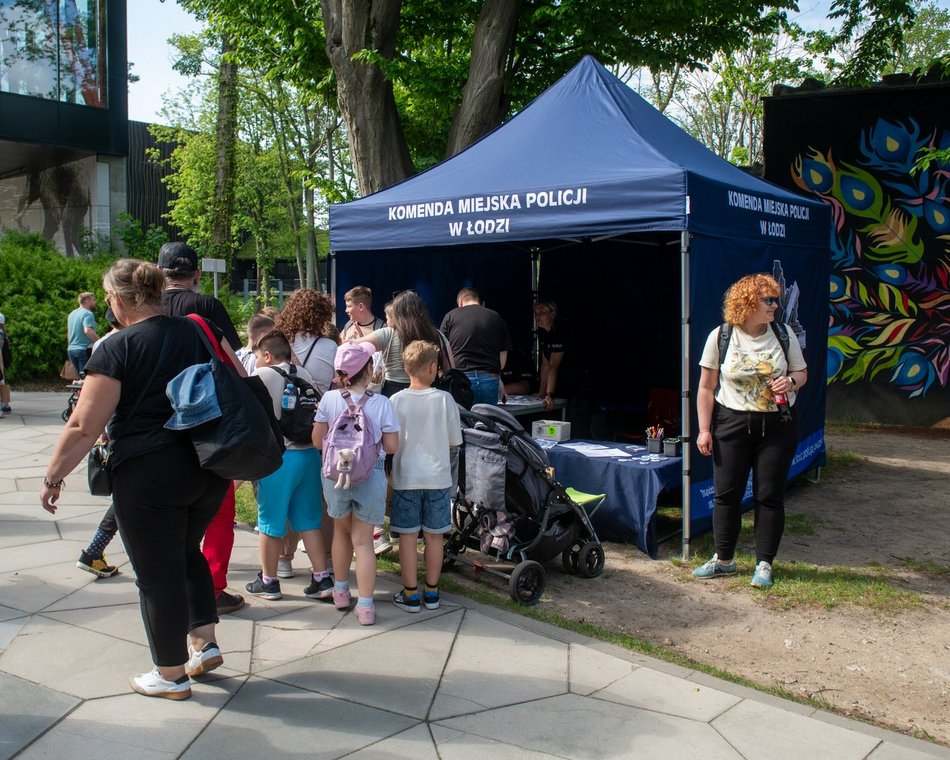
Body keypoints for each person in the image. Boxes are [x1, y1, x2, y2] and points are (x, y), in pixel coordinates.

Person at [40, 259, 242, 700]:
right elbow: (240, 380)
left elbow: (83, 426)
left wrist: (54, 475)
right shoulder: (198, 329)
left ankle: (170, 675)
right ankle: (203, 643)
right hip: (208, 467)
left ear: (118, 299)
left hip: (149, 474)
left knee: (156, 573)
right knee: (186, 551)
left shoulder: (116, 347)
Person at [693, 273, 808, 589]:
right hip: (731, 423)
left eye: (776, 300)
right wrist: (704, 430)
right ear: (747, 303)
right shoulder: (721, 336)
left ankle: (764, 565)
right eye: (768, 300)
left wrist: (793, 381)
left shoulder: (783, 334)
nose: (775, 305)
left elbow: (802, 371)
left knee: (769, 496)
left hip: (777, 425)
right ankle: (724, 560)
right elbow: (706, 387)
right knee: (725, 495)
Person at [160, 241, 245, 615]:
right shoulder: (207, 307)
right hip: (207, 424)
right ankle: (211, 587)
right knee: (219, 511)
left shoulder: (146, 309)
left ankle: (170, 586)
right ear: (196, 274)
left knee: (166, 513)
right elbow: (233, 361)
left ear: (160, 275)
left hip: (159, 423)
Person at [352, 289, 451, 554]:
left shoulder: (389, 334)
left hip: (393, 401)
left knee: (386, 464)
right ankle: (414, 528)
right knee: (416, 459)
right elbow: (450, 369)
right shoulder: (437, 336)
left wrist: (360, 378)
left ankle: (380, 531)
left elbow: (356, 349)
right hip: (427, 400)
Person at [313, 342, 399, 626]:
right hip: (370, 474)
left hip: (334, 475)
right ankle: (365, 607)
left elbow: (317, 440)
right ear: (370, 369)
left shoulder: (328, 400)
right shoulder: (382, 403)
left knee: (340, 532)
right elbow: (392, 445)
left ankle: (339, 592)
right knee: (363, 541)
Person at [244, 330, 332, 602]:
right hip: (309, 457)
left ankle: (268, 581)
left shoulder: (264, 375)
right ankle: (321, 578)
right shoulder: (303, 375)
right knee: (309, 520)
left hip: (280, 459)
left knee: (270, 522)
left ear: (267, 355)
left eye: (257, 356)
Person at [389, 340, 462, 613]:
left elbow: (390, 443)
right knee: (435, 537)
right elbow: (455, 441)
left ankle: (410, 594)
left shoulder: (395, 400)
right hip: (438, 479)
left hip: (406, 477)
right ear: (433, 368)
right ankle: (432, 592)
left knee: (407, 537)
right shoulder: (445, 400)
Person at [274, 288, 339, 577]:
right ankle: (324, 558)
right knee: (319, 498)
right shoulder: (329, 347)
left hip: (282, 428)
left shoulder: (278, 343)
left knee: (282, 496)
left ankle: (283, 559)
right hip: (318, 425)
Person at [76, 306, 124, 579]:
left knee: (125, 496)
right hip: (125, 427)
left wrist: (102, 427)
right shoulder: (124, 342)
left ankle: (95, 551)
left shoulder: (104, 343)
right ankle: (94, 551)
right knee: (125, 497)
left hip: (115, 425)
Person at [439, 288, 511, 406]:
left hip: (462, 379)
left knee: (464, 423)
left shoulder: (450, 316)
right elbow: (502, 361)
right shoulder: (496, 317)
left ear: (460, 302)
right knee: (487, 422)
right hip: (490, 378)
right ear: (482, 303)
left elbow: (442, 350)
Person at [66, 292, 98, 377]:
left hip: (71, 350)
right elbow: (88, 330)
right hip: (83, 349)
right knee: (87, 378)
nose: (95, 302)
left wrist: (70, 346)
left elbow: (69, 334)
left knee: (81, 378)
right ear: (88, 301)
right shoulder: (87, 313)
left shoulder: (71, 314)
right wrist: (100, 342)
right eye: (93, 300)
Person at [0, 313, 12, 414]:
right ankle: (4, 404)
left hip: (1, 362)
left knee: (2, 382)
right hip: (1, 362)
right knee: (2, 382)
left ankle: (4, 404)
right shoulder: (2, 334)